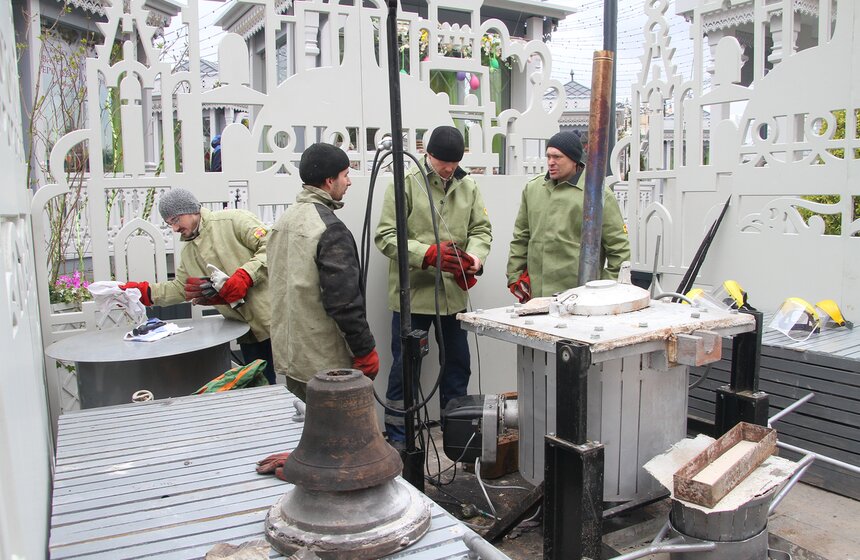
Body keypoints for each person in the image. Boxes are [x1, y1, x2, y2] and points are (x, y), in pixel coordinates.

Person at [375, 125, 492, 447]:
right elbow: (385, 237)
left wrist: (475, 258)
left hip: (453, 297)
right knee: (405, 370)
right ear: (428, 155)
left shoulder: (468, 186)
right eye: (443, 162)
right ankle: (400, 441)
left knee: (457, 367)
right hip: (413, 297)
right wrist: (425, 254)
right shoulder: (405, 185)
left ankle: (456, 439)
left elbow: (482, 230)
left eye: (454, 163)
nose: (449, 169)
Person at [120, 188, 275, 383]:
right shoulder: (189, 252)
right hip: (248, 332)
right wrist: (144, 292)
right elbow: (180, 288)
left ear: (191, 209)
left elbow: (272, 245)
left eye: (176, 220)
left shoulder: (233, 220)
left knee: (300, 381)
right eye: (170, 224)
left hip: (277, 320)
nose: (175, 229)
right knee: (260, 386)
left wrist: (245, 276)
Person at [267, 143, 379, 402]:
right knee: (340, 436)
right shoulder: (329, 229)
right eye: (345, 175)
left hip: (293, 357)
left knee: (304, 432)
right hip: (326, 364)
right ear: (330, 181)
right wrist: (365, 349)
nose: (349, 182)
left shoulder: (283, 222)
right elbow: (344, 301)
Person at [506, 131, 630, 301]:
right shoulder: (533, 189)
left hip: (579, 297)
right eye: (548, 156)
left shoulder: (596, 194)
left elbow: (619, 249)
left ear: (574, 160)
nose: (551, 162)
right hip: (536, 296)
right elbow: (521, 237)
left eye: (557, 157)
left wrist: (603, 289)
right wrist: (514, 275)